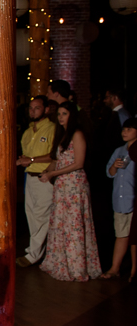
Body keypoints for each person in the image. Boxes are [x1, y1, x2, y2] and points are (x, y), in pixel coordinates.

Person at [39, 102, 102, 281]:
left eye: (64, 114)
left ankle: (76, 266)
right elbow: (57, 159)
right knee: (61, 223)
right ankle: (61, 262)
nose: (60, 117)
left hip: (74, 184)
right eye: (58, 114)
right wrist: (47, 171)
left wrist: (53, 173)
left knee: (74, 224)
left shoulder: (77, 134)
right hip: (62, 185)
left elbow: (78, 163)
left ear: (72, 115)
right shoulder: (62, 135)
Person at [15, 96, 56, 268]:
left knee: (41, 216)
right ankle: (35, 248)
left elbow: (54, 154)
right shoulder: (27, 132)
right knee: (31, 214)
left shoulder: (52, 129)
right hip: (29, 177)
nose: (33, 111)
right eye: (31, 108)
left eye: (37, 108)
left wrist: (31, 160)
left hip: (44, 177)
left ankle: (34, 254)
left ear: (46, 109)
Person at [103, 118, 137, 280]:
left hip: (133, 200)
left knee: (134, 238)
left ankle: (133, 271)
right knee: (121, 234)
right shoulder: (119, 151)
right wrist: (114, 166)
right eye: (124, 129)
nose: (125, 132)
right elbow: (109, 173)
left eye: (129, 129)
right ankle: (115, 268)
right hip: (120, 200)